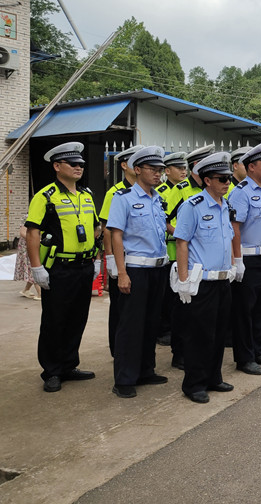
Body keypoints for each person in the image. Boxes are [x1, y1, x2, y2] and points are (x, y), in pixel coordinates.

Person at [26, 142, 101, 393]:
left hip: (83, 267)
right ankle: (52, 370)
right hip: (58, 268)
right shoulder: (45, 196)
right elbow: (33, 233)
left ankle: (69, 364)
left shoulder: (86, 195)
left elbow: (95, 229)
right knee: (54, 320)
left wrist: (98, 258)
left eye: (81, 164)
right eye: (73, 164)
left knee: (77, 318)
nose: (79, 167)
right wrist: (37, 268)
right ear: (57, 166)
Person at [172, 152, 237, 404]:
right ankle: (194, 384)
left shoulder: (225, 206)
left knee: (219, 332)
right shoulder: (192, 206)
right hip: (202, 282)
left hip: (222, 280)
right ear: (207, 180)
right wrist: (184, 280)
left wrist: (233, 265)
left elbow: (229, 239)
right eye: (222, 179)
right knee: (200, 335)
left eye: (229, 178)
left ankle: (213, 377)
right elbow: (181, 243)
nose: (227, 183)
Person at [107, 146, 170, 398]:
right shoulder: (123, 199)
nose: (158, 174)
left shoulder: (158, 199)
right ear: (137, 170)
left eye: (160, 170)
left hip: (158, 269)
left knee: (151, 323)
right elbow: (116, 236)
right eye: (152, 169)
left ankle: (146, 370)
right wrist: (121, 272)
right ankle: (124, 378)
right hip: (135, 270)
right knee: (131, 326)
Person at [227, 142, 261, 374]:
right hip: (248, 259)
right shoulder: (241, 193)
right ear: (251, 167)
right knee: (244, 312)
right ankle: (244, 357)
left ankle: (259, 350)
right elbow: (234, 228)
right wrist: (237, 260)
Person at [164, 144, 215, 370]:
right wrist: (184, 235)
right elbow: (163, 219)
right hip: (181, 258)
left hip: (205, 261)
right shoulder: (182, 189)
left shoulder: (209, 189)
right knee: (183, 309)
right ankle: (180, 353)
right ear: (198, 166)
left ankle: (199, 350)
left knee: (202, 311)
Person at [101, 144, 140, 357]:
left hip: (140, 258)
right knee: (119, 306)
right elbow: (108, 230)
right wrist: (111, 260)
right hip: (121, 257)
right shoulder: (114, 192)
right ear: (125, 165)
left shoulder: (147, 191)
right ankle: (117, 350)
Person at [156, 151, 187, 346]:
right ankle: (164, 330)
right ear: (167, 171)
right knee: (166, 295)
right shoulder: (160, 192)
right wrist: (177, 232)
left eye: (185, 168)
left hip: (183, 251)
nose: (184, 171)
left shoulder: (187, 190)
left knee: (180, 295)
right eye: (180, 168)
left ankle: (176, 329)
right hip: (169, 249)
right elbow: (162, 219)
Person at [15, 220, 40, 300]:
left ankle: (26, 290)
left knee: (32, 267)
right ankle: (40, 293)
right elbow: (22, 232)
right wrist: (35, 239)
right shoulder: (28, 217)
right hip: (27, 247)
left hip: (36, 244)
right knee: (34, 267)